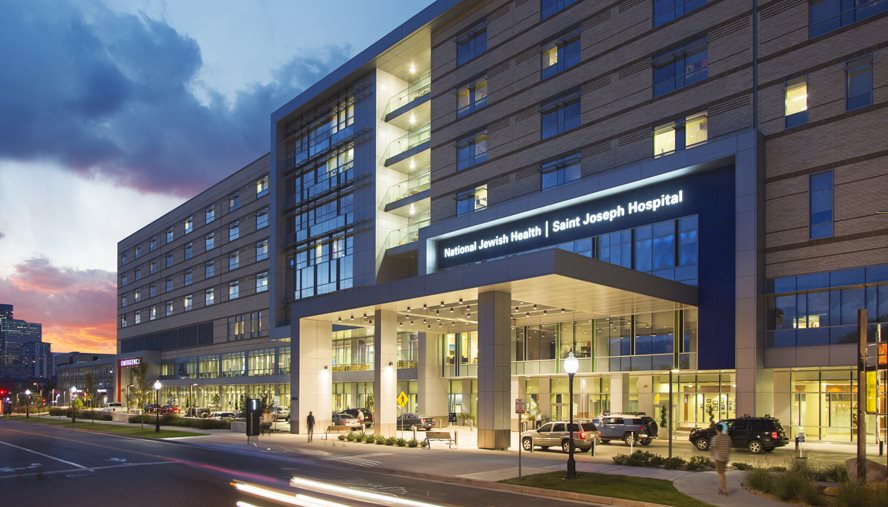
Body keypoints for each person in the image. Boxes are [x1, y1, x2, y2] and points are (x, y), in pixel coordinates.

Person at [712, 422, 731, 495]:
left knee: (721, 474)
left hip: (719, 458)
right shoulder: (727, 437)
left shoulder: (716, 438)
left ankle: (724, 490)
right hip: (725, 458)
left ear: (717, 430)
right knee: (722, 474)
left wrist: (713, 455)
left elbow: (714, 447)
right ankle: (721, 487)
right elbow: (729, 447)